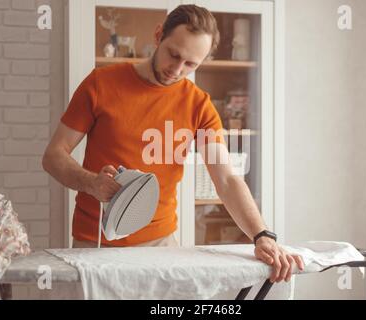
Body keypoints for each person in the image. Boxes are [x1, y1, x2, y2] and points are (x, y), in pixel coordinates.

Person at [42, 4, 304, 283]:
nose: (177, 70)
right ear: (158, 36)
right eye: (174, 54)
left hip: (161, 244)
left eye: (191, 64)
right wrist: (91, 182)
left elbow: (226, 179)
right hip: (94, 243)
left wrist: (262, 235)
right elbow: (54, 156)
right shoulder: (101, 84)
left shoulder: (198, 105)